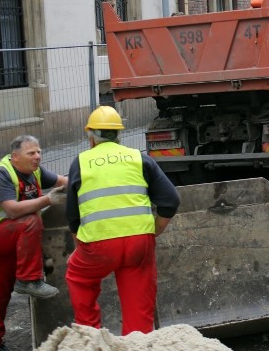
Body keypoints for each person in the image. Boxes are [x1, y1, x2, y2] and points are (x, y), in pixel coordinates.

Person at [64, 105, 181, 335]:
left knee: (78, 277)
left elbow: (72, 215)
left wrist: (79, 242)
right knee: (139, 308)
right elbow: (171, 200)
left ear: (91, 137)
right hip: (139, 243)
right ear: (119, 135)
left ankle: (91, 336)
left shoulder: (81, 162)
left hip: (99, 246)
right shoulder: (140, 159)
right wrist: (155, 230)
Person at [0, 135, 67, 351]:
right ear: (15, 157)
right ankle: (28, 279)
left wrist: (90, 179)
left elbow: (64, 181)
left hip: (12, 239)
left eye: (39, 152)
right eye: (31, 153)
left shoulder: (36, 172)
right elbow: (12, 211)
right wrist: (47, 200)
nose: (37, 157)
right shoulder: (0, 174)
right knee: (30, 220)